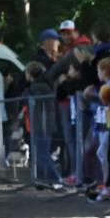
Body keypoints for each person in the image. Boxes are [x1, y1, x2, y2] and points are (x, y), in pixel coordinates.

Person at [25, 61, 64, 191]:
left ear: (30, 73)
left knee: (42, 153)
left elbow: (35, 103)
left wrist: (27, 94)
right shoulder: (43, 85)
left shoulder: (39, 86)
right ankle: (42, 180)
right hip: (43, 124)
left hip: (42, 125)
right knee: (41, 153)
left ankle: (56, 179)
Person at [87, 57, 110, 202]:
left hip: (108, 125)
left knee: (104, 154)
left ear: (104, 71)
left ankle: (107, 186)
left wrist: (94, 95)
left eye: (99, 70)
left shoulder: (108, 86)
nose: (97, 73)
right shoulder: (105, 86)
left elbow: (104, 100)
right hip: (102, 125)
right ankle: (105, 184)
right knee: (101, 154)